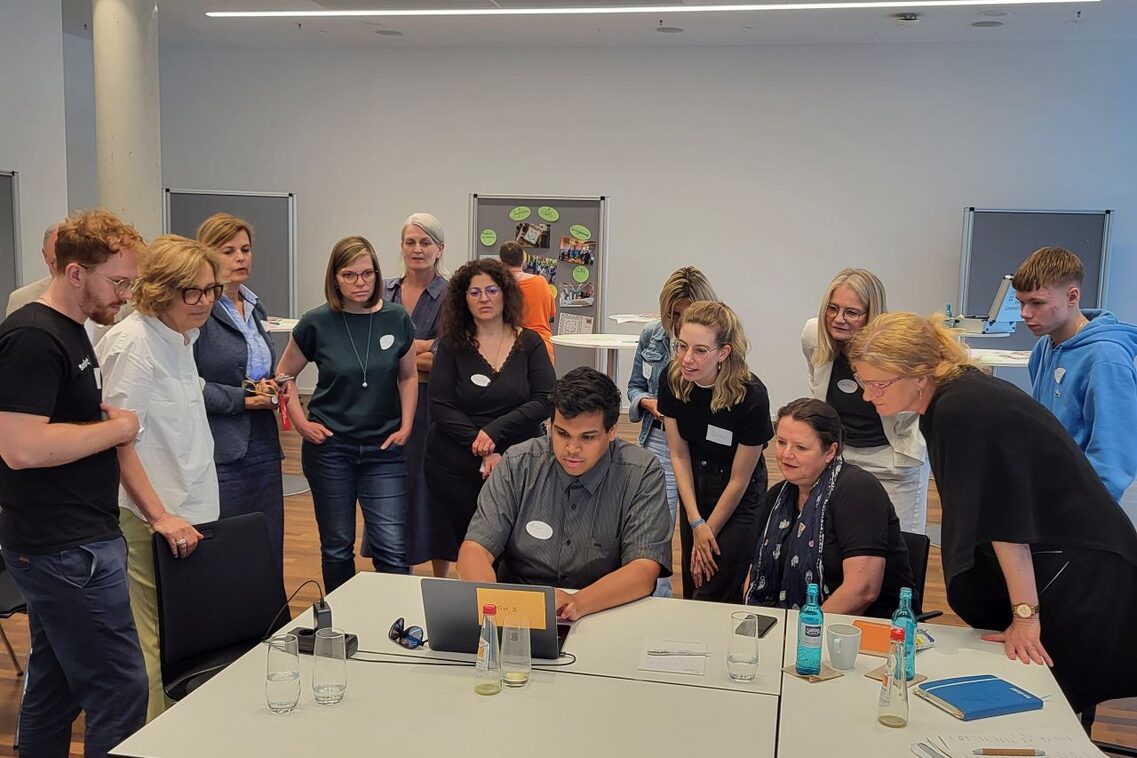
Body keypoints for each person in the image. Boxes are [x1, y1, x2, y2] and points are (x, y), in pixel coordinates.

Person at [849, 312, 1137, 714]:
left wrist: (1025, 616)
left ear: (918, 375)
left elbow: (1003, 520)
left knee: (1048, 701)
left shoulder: (960, 410)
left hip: (1081, 570)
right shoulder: (955, 396)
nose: (868, 395)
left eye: (878, 384)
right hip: (1066, 558)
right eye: (863, 382)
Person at [0, 209, 148, 756]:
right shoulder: (33, 339)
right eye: (118, 282)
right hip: (64, 546)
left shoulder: (71, 332)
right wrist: (116, 430)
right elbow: (19, 448)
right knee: (119, 686)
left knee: (58, 685)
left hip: (71, 539)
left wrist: (97, 424)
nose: (125, 296)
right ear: (75, 272)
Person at [97, 234, 223, 721]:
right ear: (158, 290)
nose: (205, 301)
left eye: (210, 289)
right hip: (154, 517)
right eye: (191, 291)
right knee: (153, 646)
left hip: (193, 509)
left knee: (188, 638)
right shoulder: (132, 344)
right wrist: (159, 516)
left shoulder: (181, 338)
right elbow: (118, 441)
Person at [457, 367, 672, 621]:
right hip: (517, 611)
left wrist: (577, 603)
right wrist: (494, 607)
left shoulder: (641, 473)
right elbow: (475, 549)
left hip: (604, 609)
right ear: (549, 425)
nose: (571, 448)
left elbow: (644, 569)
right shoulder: (518, 463)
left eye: (587, 437)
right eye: (562, 434)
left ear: (612, 431)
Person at [277, 236, 416, 592]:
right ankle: (343, 626)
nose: (360, 282)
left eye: (368, 274)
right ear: (335, 278)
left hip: (384, 451)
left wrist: (406, 425)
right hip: (331, 450)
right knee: (337, 547)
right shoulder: (316, 322)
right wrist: (301, 424)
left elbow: (409, 374)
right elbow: (284, 376)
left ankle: (397, 628)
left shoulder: (396, 318)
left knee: (393, 550)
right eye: (350, 275)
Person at [427, 258, 555, 567]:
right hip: (455, 463)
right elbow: (441, 405)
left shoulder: (530, 343)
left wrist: (492, 434)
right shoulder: (451, 346)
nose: (484, 299)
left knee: (518, 549)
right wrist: (480, 445)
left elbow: (546, 399)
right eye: (474, 293)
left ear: (505, 293)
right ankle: (473, 613)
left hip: (521, 462)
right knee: (469, 549)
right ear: (463, 299)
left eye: (491, 290)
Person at [744, 398, 915, 618]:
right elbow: (755, 573)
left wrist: (804, 629)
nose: (786, 454)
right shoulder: (777, 496)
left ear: (830, 451)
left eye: (801, 447)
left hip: (866, 630)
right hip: (790, 626)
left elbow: (863, 590)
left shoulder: (858, 491)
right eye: (781, 442)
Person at [658, 301, 773, 602]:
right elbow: (679, 455)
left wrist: (707, 532)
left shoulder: (751, 396)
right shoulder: (672, 380)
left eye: (699, 350)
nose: (687, 359)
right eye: (682, 346)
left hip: (738, 496)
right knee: (694, 583)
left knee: (715, 589)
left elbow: (739, 480)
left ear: (723, 352)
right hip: (695, 488)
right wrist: (696, 522)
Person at [801, 268, 929, 533]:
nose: (839, 319)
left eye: (851, 312)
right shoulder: (814, 337)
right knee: (838, 540)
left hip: (892, 460)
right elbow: (817, 383)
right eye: (832, 308)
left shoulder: (898, 348)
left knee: (900, 547)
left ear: (872, 315)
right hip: (841, 457)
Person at [195, 213, 285, 571]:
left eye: (245, 249)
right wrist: (245, 399)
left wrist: (272, 383)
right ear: (207, 255)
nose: (241, 257)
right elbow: (190, 386)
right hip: (221, 447)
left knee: (267, 540)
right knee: (229, 546)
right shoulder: (199, 309)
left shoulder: (253, 304)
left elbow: (256, 367)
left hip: (263, 440)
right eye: (229, 250)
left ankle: (271, 622)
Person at [1012, 246, 1137, 502]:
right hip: (1047, 491)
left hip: (1081, 505)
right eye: (1022, 302)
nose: (1025, 314)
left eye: (1037, 303)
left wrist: (1086, 511)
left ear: (1072, 296)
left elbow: (1114, 454)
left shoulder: (1106, 358)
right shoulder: (1043, 347)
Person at [627, 266, 718, 597]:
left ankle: (701, 603)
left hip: (702, 451)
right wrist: (648, 403)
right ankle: (657, 599)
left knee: (701, 530)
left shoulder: (718, 341)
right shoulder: (652, 336)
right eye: (673, 313)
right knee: (655, 533)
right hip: (659, 443)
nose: (679, 322)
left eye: (688, 313)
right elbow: (635, 387)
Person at [383, 213, 449, 576]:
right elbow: (368, 353)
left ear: (440, 249)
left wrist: (398, 353)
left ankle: (442, 578)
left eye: (425, 242)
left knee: (432, 489)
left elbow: (449, 359)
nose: (417, 249)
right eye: (411, 242)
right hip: (384, 405)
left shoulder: (452, 295)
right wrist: (419, 349)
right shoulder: (383, 291)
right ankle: (397, 571)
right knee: (393, 489)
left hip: (432, 407)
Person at [498, 240, 556, 363]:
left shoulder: (500, 287)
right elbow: (551, 313)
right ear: (523, 260)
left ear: (501, 262)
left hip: (513, 348)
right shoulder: (541, 282)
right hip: (543, 346)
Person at [5, 223, 56, 316]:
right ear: (45, 256)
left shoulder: (89, 295)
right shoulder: (21, 299)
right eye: (55, 262)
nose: (63, 269)